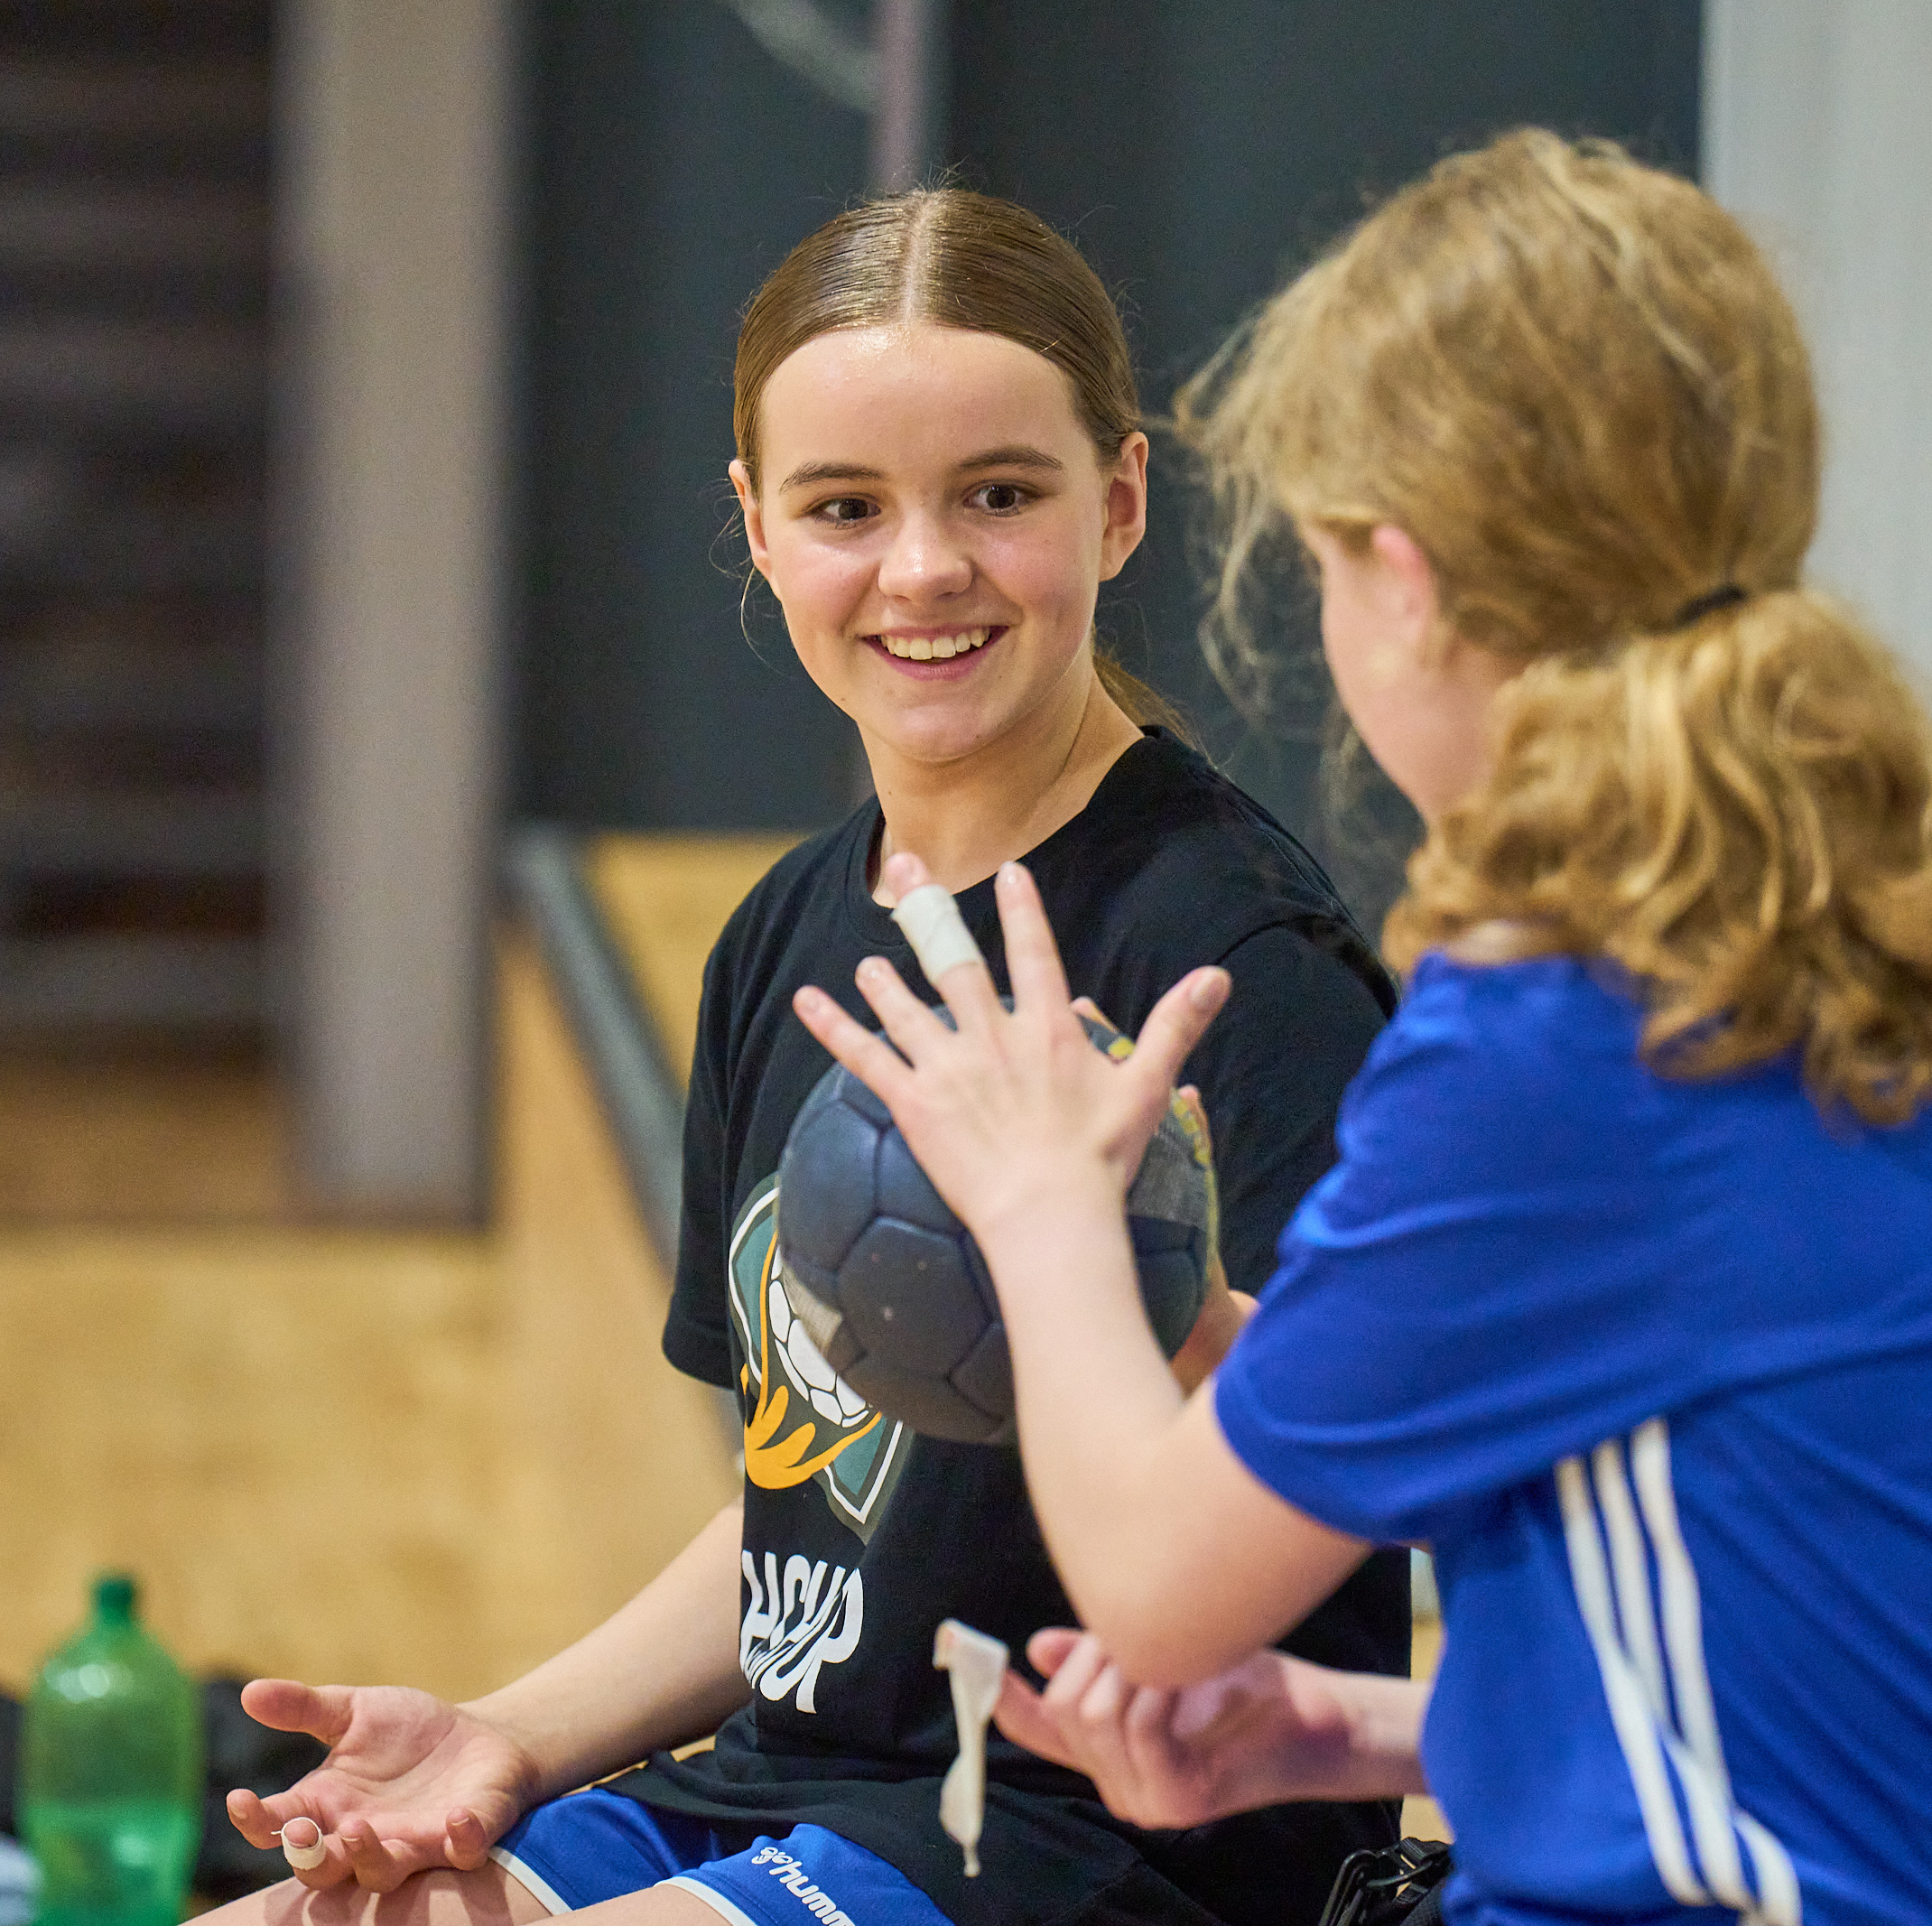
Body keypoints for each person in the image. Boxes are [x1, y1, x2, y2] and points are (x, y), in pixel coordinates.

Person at [795, 132, 1932, 1926]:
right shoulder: (1922, 961)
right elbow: (1830, 1676)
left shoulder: (1567, 1029)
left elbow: (1152, 1588)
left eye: (1326, 565)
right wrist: (1345, 1729)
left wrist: (1044, 1205)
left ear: (1407, 576)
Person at [202, 193, 1408, 1926]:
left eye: (1000, 494)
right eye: (847, 507)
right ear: (759, 531)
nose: (922, 569)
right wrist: (506, 1735)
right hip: (779, 1781)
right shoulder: (784, 936)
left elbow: (1322, 1496)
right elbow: (819, 1510)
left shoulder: (1240, 970)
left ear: (1122, 500)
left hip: (1090, 1840)